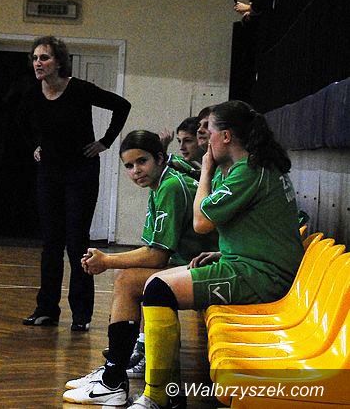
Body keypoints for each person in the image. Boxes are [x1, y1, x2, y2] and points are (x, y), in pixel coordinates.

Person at [130, 100, 305, 408]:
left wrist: (207, 171)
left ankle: (160, 395)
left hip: (261, 276)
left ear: (225, 136)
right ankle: (166, 392)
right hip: (254, 266)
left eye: (208, 132)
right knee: (154, 283)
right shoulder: (255, 167)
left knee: (158, 290)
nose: (205, 141)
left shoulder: (248, 171)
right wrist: (223, 254)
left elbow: (200, 223)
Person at [62, 130, 215, 406]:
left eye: (142, 161)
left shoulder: (171, 187)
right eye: (129, 166)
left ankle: (113, 379)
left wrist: (107, 261)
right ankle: (115, 373)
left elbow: (156, 256)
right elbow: (154, 252)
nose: (136, 171)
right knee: (131, 279)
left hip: (210, 266)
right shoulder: (162, 183)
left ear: (159, 159)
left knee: (129, 281)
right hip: (192, 263)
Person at [21, 36, 131, 331]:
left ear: (58, 62)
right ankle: (46, 309)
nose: (38, 63)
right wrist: (36, 144)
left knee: (76, 242)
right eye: (35, 58)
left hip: (80, 172)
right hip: (49, 173)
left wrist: (105, 142)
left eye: (44, 57)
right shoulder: (33, 93)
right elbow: (27, 123)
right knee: (51, 243)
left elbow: (122, 106)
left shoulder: (80, 89)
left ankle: (81, 314)